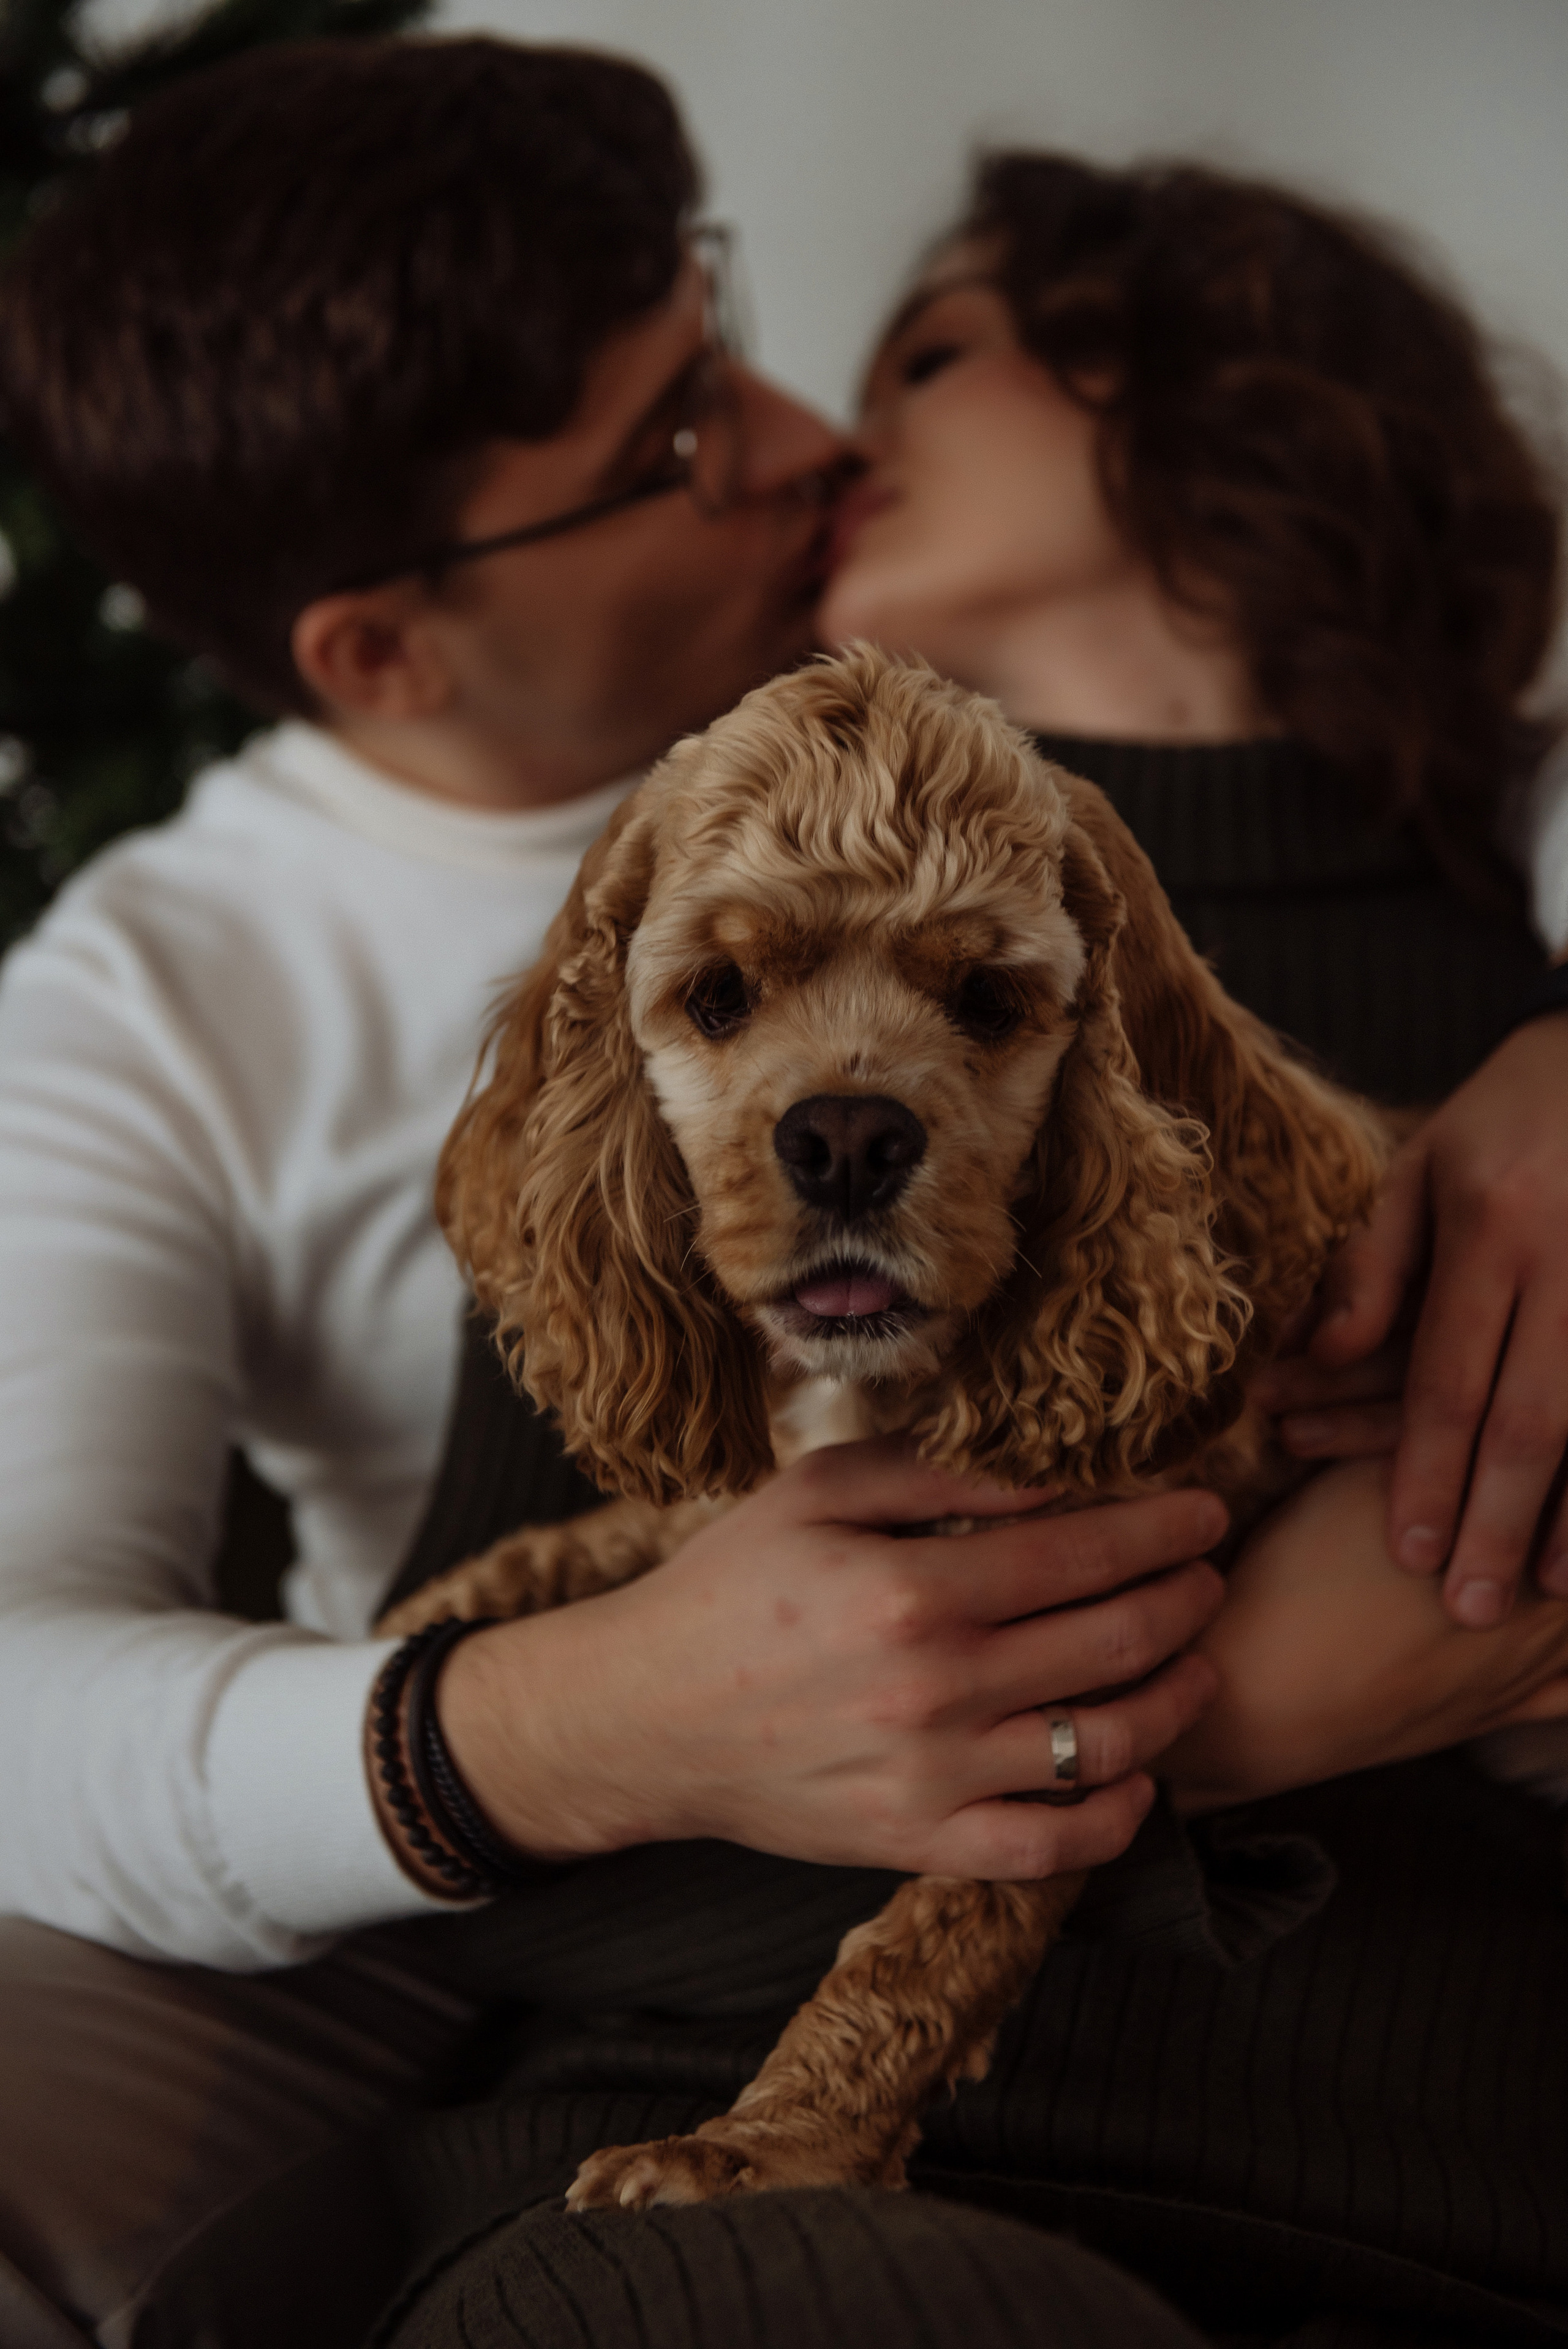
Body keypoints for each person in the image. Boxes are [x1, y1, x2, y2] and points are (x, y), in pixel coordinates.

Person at [0, 46, 1231, 2349]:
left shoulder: (961, 700)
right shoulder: (151, 1001)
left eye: (719, 335)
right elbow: (14, 1684)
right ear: (382, 647)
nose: (796, 442)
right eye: (667, 447)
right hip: (532, 1856)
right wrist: (590, 1722)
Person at [363, 153, 1568, 2349]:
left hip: (1449, 2225)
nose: (825, 432)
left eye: (930, 350)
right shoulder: (667, 988)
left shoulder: (1522, 1016)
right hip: (696, 2198)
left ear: (1200, 377)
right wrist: (1209, 1732)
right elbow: (438, 1883)